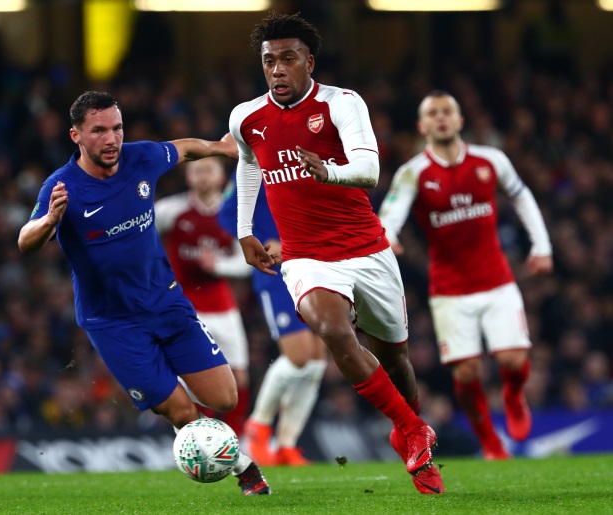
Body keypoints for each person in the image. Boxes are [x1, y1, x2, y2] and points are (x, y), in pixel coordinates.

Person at [229, 12, 444, 494]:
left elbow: (368, 168)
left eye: (288, 59)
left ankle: (409, 430)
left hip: (367, 250)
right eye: (269, 62)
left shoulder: (342, 103)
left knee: (396, 358)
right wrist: (245, 229)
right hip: (306, 257)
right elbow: (247, 165)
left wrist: (329, 171)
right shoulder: (246, 117)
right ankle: (412, 431)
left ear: (309, 61)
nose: (278, 70)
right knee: (331, 328)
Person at [18, 91, 271, 495]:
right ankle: (241, 465)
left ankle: (220, 444)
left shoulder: (139, 157)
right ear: (76, 135)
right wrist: (49, 219)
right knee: (181, 410)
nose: (112, 138)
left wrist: (221, 148)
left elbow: (184, 149)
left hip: (166, 303)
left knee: (224, 398)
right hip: (113, 323)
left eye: (116, 128)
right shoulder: (61, 186)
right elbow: (25, 241)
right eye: (99, 130)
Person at [378, 90, 553, 460]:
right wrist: (389, 235)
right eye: (433, 113)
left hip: (497, 280)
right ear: (422, 126)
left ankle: (513, 395)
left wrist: (541, 246)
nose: (441, 118)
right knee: (467, 373)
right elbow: (391, 212)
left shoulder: (491, 161)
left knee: (512, 361)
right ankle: (489, 439)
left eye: (447, 111)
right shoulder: (414, 173)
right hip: (450, 290)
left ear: (459, 121)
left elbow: (521, 196)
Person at [218, 175, 327, 466]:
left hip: (311, 267)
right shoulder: (250, 168)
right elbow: (226, 214)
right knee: (300, 356)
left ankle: (288, 444)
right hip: (275, 273)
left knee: (317, 359)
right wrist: (260, 241)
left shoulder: (297, 160)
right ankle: (258, 427)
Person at [154, 157, 252, 437]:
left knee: (239, 375)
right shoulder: (170, 211)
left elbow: (246, 260)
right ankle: (201, 437)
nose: (202, 175)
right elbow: (141, 237)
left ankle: (236, 438)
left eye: (209, 169)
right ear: (188, 177)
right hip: (186, 306)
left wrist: (218, 265)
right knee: (195, 377)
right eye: (196, 170)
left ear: (222, 177)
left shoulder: (233, 213)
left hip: (222, 305)